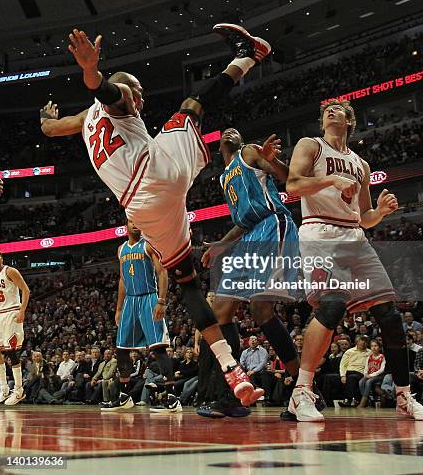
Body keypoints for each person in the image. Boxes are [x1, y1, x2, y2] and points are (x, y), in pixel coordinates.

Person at [40, 24, 271, 406]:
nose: (141, 97)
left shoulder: (86, 119)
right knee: (191, 108)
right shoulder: (122, 100)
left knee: (188, 282)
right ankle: (250, 54)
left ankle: (232, 370)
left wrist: (45, 117)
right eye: (139, 90)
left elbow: (52, 129)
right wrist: (91, 72)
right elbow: (108, 91)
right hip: (155, 173)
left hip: (142, 209)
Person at [286, 99, 423, 421]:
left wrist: (380, 213)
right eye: (326, 110)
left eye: (338, 109)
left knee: (389, 314)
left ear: (350, 120)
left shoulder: (361, 164)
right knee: (332, 306)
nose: (330, 111)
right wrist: (330, 180)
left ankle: (403, 396)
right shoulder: (310, 145)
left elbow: (364, 216)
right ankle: (301, 391)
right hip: (319, 232)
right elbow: (293, 185)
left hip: (355, 236)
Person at [200, 127, 303, 417]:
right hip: (248, 237)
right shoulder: (224, 176)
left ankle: (304, 386)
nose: (231, 131)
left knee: (260, 310)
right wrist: (221, 244)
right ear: (219, 147)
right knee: (220, 311)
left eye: (236, 130)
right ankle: (232, 394)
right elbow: (242, 222)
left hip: (272, 225)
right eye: (226, 131)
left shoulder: (249, 152)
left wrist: (271, 160)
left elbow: (286, 179)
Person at [102, 219, 171, 412]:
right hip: (130, 301)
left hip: (149, 297)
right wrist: (118, 308)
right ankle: (125, 396)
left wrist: (161, 301)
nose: (136, 225)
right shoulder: (121, 249)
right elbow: (123, 280)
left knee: (158, 347)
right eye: (132, 221)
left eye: (139, 222)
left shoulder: (149, 245)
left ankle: (171, 397)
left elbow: (162, 272)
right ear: (125, 226)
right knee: (121, 349)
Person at [0, 252, 30, 406]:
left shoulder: (9, 271)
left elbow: (26, 290)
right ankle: (4, 389)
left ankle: (19, 389)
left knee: (11, 351)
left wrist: (22, 310)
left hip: (11, 313)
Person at [358, 339, 386, 408]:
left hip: (379, 376)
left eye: (376, 346)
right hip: (369, 375)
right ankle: (367, 399)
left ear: (379, 347)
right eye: (372, 346)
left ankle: (363, 402)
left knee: (368, 382)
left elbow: (381, 370)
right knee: (361, 382)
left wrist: (371, 375)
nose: (374, 347)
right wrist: (365, 374)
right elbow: (366, 368)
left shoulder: (382, 357)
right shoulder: (369, 357)